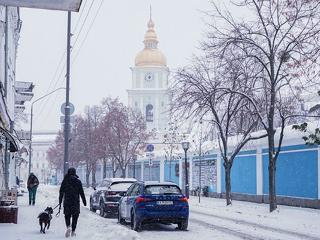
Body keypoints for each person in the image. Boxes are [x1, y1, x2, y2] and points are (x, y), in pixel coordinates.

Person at [59, 167, 86, 238]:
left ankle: (68, 226)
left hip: (67, 201)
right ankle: (73, 231)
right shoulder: (78, 181)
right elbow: (81, 192)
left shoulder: (65, 181)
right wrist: (84, 201)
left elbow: (61, 192)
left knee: (67, 215)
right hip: (75, 202)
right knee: (75, 216)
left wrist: (60, 201)